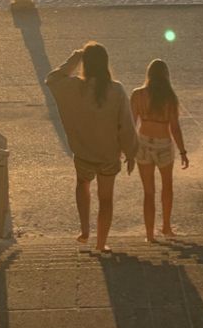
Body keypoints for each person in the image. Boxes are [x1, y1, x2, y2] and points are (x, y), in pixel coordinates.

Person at [46, 42, 137, 253]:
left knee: (82, 185)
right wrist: (130, 152)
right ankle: (100, 243)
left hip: (84, 154)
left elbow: (52, 79)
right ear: (105, 63)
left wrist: (76, 56)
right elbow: (126, 124)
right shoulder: (116, 90)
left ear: (85, 64)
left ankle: (85, 229)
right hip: (108, 156)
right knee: (106, 199)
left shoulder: (73, 87)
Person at [131, 59, 189, 241]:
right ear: (166, 76)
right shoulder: (169, 97)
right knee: (167, 187)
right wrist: (182, 151)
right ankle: (166, 226)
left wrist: (127, 149)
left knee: (148, 192)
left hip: (143, 143)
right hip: (164, 144)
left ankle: (149, 234)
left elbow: (131, 123)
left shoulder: (137, 95)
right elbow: (175, 128)